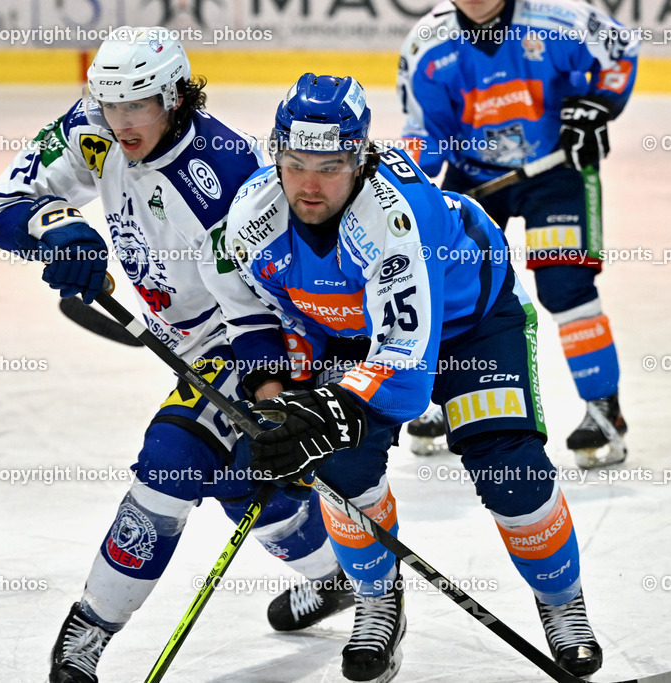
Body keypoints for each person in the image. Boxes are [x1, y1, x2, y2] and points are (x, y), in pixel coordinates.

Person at [0, 29, 350, 683]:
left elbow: (281, 297)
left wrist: (289, 392)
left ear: (174, 97)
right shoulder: (92, 128)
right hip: (188, 342)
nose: (121, 121)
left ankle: (86, 634)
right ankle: (330, 576)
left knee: (170, 464)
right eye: (111, 103)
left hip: (251, 336)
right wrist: (60, 230)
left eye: (137, 105)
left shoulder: (226, 174)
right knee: (239, 482)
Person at [207, 73, 603, 680]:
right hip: (350, 333)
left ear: (359, 158)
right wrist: (276, 397)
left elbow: (405, 372)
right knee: (340, 469)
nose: (309, 185)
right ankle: (377, 600)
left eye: (330, 167)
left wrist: (325, 411)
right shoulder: (252, 215)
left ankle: (561, 600)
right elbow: (260, 311)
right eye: (295, 164)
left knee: (511, 471)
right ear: (276, 154)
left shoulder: (394, 218)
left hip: (472, 326)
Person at [396, 0, 639, 467]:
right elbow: (424, 131)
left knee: (565, 287)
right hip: (473, 175)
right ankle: (449, 396)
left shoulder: (558, 19)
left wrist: (599, 104)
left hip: (556, 171)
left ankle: (604, 408)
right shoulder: (428, 45)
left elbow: (620, 49)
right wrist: (408, 184)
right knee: (451, 287)